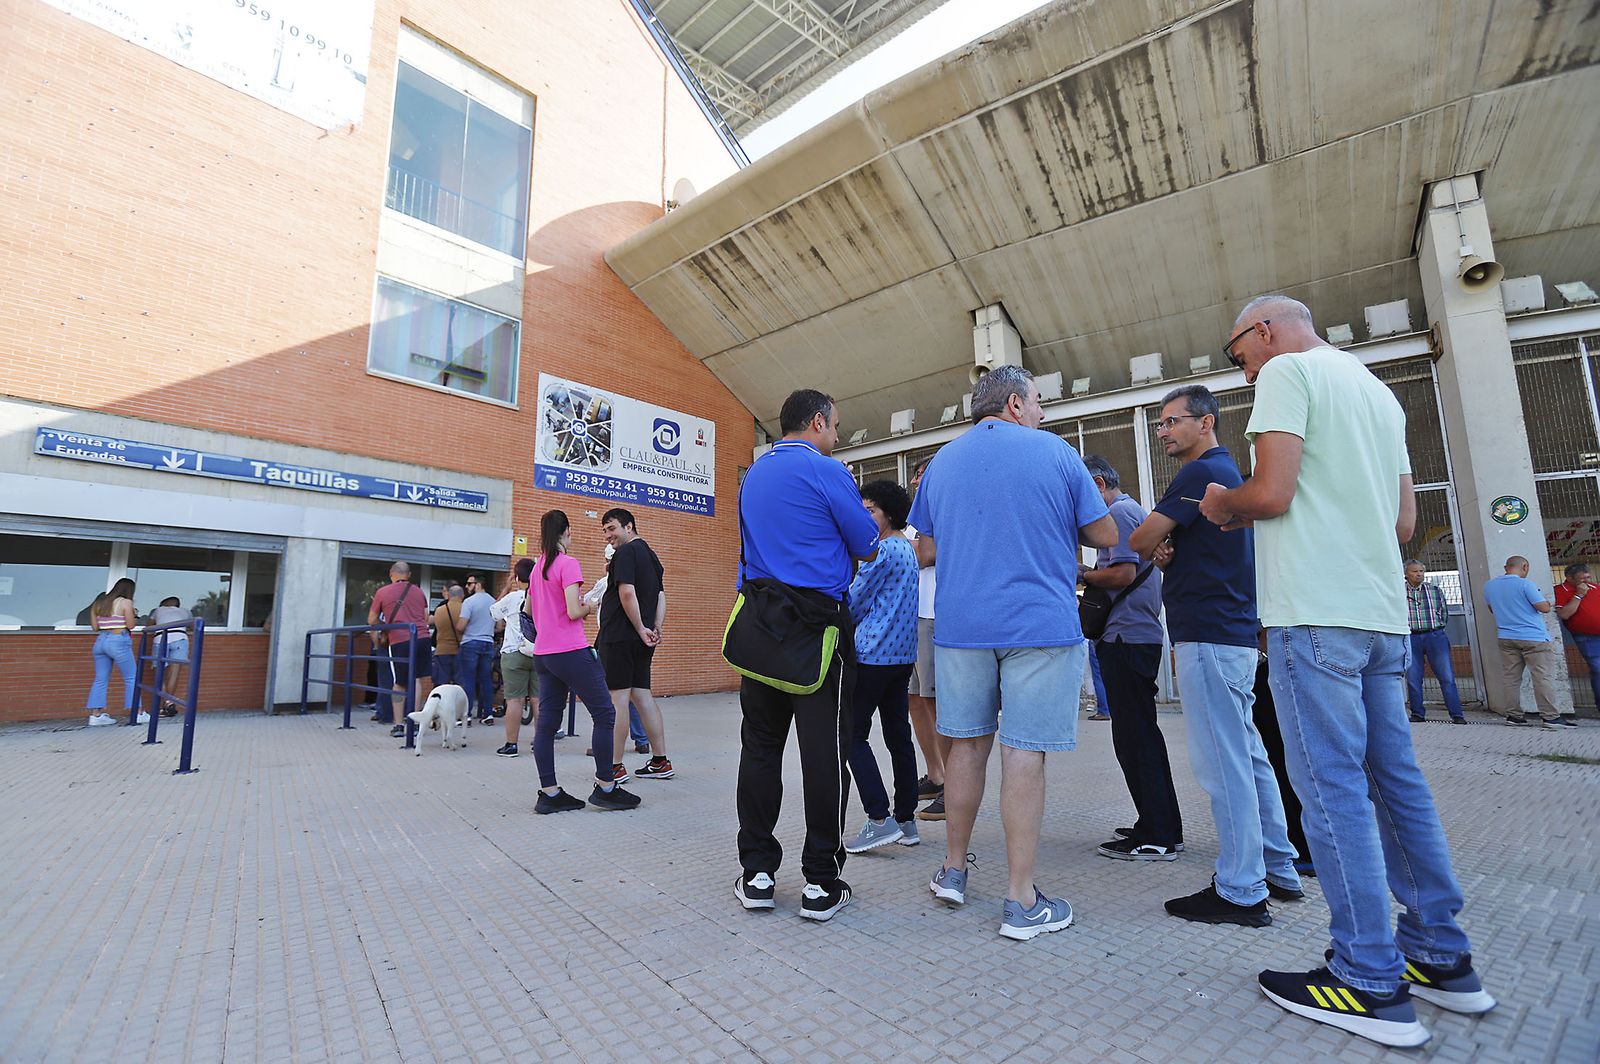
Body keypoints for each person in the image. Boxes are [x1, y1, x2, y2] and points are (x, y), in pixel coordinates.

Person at [1200, 294, 1495, 1047]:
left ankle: (1366, 974)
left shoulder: (1287, 373)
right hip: (1380, 618)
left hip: (1314, 613)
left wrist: (1224, 504)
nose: (1242, 372)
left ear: (1264, 331)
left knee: (1332, 790)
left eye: (1238, 355)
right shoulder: (1376, 392)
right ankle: (1441, 954)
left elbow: (1271, 493)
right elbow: (1404, 523)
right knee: (1396, 782)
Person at [908, 366, 1117, 940]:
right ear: (1016, 404)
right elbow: (1103, 535)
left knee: (967, 746)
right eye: (1039, 401)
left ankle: (953, 870)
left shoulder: (942, 462)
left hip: (961, 626)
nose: (1043, 412)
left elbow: (926, 545)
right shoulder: (1056, 453)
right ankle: (1021, 900)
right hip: (1038, 624)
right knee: (1024, 751)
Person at [1129, 384, 1300, 926]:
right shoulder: (1228, 472)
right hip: (1233, 634)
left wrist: (1159, 543)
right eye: (1159, 423)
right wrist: (1170, 548)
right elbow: (1167, 544)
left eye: (1171, 421)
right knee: (1247, 754)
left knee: (1223, 764)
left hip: (1208, 634)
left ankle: (1241, 888)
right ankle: (1278, 865)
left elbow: (1139, 540)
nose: (1163, 431)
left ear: (1206, 422)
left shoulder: (1200, 473)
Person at [733, 388, 880, 922]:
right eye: (835, 425)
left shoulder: (753, 475)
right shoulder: (827, 471)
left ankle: (757, 874)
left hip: (761, 622)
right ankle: (820, 881)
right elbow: (868, 544)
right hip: (818, 628)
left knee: (760, 747)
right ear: (817, 422)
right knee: (824, 755)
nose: (836, 435)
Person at [1081, 454, 1180, 862]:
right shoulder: (1131, 511)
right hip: (1133, 636)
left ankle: (1157, 834)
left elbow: (1122, 574)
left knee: (1135, 738)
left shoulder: (1120, 513)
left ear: (1099, 485)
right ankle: (1160, 823)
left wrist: (1082, 574)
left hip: (1126, 637)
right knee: (1141, 735)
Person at [525, 509, 640, 813]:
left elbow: (529, 610)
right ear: (567, 531)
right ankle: (606, 787)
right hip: (570, 651)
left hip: (543, 654)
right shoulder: (567, 563)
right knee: (605, 714)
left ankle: (549, 793)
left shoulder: (537, 568)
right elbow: (574, 611)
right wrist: (590, 604)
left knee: (547, 724)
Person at [843, 479, 922, 852]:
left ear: (888, 513)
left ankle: (879, 818)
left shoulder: (880, 552)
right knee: (898, 736)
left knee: (852, 735)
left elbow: (854, 603)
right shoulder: (906, 548)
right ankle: (906, 819)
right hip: (902, 656)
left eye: (870, 510)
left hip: (872, 655)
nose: (865, 516)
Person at [597, 508, 672, 782]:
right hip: (642, 638)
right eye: (605, 531)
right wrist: (655, 627)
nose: (608, 536)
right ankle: (660, 761)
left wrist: (641, 628)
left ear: (628, 526)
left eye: (612, 528)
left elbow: (626, 592)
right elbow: (661, 595)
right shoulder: (651, 555)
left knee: (617, 698)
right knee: (641, 695)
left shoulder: (626, 552)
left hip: (620, 635)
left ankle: (614, 766)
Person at [905, 457, 949, 822]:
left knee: (934, 701)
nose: (915, 481)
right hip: (911, 616)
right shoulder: (912, 520)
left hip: (935, 614)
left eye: (921, 473)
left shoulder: (942, 508)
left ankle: (954, 785)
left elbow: (926, 554)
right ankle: (935, 775)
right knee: (915, 699)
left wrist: (898, 548)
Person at [1484, 556, 1571, 727]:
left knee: (1511, 678)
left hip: (1506, 637)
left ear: (1506, 567)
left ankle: (1514, 716)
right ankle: (1550, 717)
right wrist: (1547, 601)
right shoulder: (1526, 584)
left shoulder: (1490, 586)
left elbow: (1492, 609)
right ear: (1525, 566)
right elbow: (1543, 608)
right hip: (1534, 638)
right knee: (1542, 677)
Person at [367, 562, 428, 738]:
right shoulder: (419, 591)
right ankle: (414, 722)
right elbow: (424, 617)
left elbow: (371, 619)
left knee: (399, 682)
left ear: (391, 574)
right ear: (409, 575)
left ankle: (399, 724)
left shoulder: (382, 592)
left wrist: (387, 625)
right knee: (416, 680)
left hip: (400, 639)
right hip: (422, 637)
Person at [1404, 561, 1467, 724]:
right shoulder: (1400, 592)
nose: (1419, 574)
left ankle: (1457, 714)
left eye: (1421, 571)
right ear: (1406, 574)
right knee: (1413, 678)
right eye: (1414, 571)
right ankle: (1418, 713)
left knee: (1446, 676)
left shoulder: (1434, 590)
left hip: (1434, 635)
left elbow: (1443, 612)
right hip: (1411, 636)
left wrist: (1437, 628)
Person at [493, 560, 537, 757]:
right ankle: (541, 742)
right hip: (538, 652)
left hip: (514, 652)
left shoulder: (512, 597)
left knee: (515, 700)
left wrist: (506, 588)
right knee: (539, 700)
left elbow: (494, 613)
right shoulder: (542, 596)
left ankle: (511, 745)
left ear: (518, 577)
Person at [86, 578, 140, 726]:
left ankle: (96, 716)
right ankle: (138, 713)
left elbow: (95, 628)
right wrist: (134, 614)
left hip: (101, 641)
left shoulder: (99, 603)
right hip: (118, 640)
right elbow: (131, 625)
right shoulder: (125, 602)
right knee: (131, 677)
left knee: (100, 679)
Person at [1554, 562, 1600, 713]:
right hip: (1587, 637)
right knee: (1598, 668)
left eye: (1588, 577)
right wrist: (1578, 595)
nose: (1586, 581)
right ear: (1570, 578)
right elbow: (1564, 614)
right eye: (1582, 579)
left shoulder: (1595, 588)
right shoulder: (1560, 590)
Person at [456, 574, 497, 724]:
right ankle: (488, 714)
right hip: (488, 642)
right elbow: (499, 625)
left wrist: (459, 627)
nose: (467, 587)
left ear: (478, 585)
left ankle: (466, 715)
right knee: (486, 679)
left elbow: (461, 626)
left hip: (470, 642)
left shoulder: (469, 602)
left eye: (469, 584)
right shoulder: (493, 602)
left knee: (468, 679)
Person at [147, 596, 193, 716]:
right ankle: (169, 702)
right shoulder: (185, 611)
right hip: (180, 638)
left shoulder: (157, 610)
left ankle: (166, 703)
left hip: (160, 638)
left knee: (159, 672)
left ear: (163, 604)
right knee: (174, 673)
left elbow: (149, 626)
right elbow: (193, 627)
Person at [431, 585, 464, 690]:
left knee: (442, 684)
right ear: (462, 595)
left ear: (449, 595)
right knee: (459, 685)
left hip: (442, 650)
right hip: (460, 650)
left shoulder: (439, 610)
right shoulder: (465, 609)